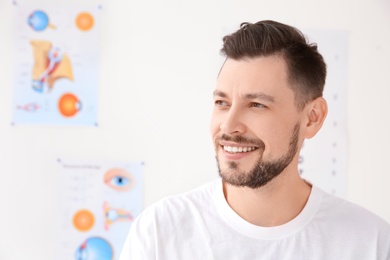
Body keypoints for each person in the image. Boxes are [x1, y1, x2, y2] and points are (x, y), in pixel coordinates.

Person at [119, 20, 390, 259]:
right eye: (222, 102)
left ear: (312, 118)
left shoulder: (371, 243)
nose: (228, 125)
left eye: (257, 104)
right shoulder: (160, 232)